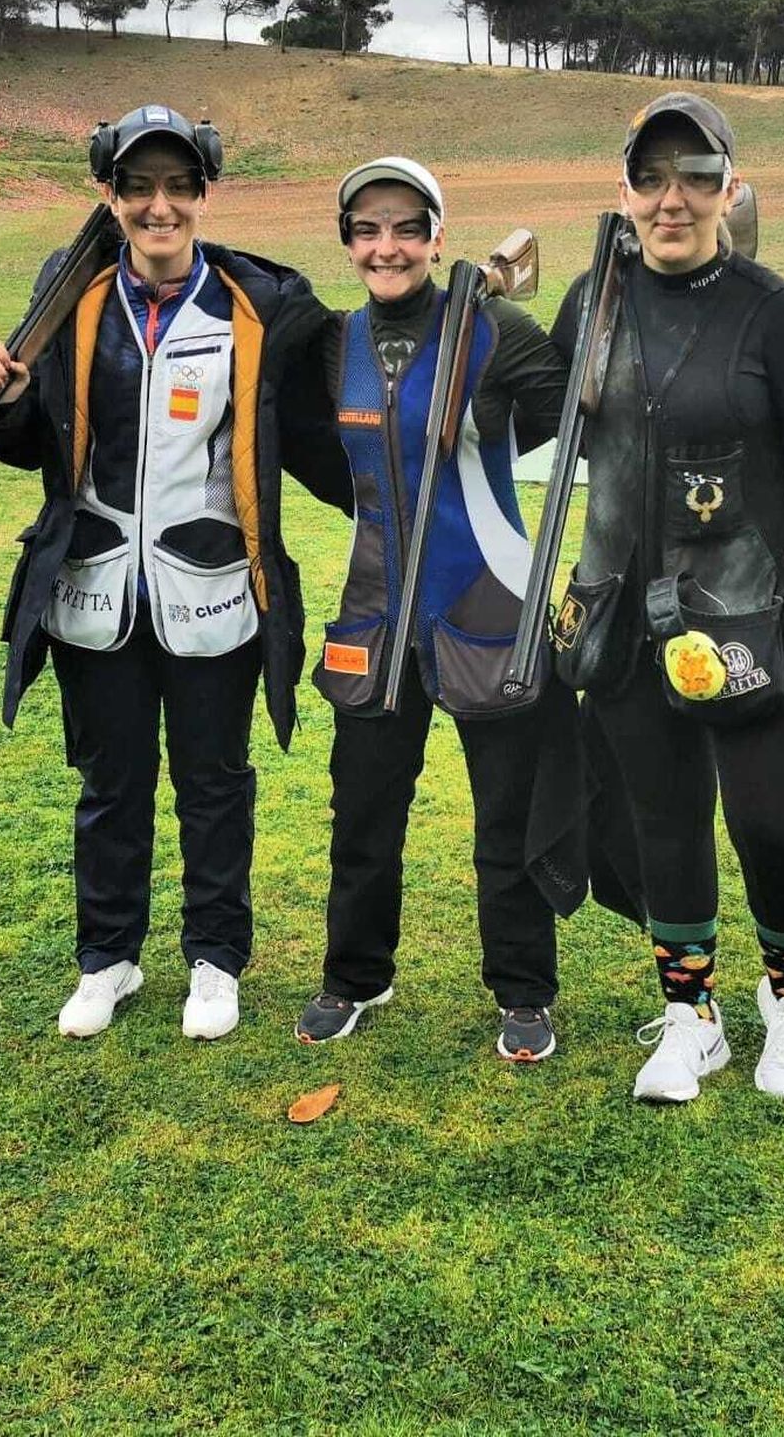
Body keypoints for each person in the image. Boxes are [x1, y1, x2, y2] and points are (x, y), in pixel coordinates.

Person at [0, 104, 349, 1043]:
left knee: (214, 782)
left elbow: (315, 436)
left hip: (213, 590)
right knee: (110, 783)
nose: (159, 207)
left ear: (204, 195)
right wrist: (4, 403)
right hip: (95, 589)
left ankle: (215, 959)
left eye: (179, 188)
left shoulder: (253, 310)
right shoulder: (72, 300)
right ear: (112, 195)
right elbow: (37, 449)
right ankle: (108, 957)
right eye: (139, 188)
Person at [550, 94, 784, 1102]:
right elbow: (525, 423)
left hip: (754, 622)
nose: (669, 197)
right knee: (662, 824)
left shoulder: (775, 312)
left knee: (772, 825)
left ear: (729, 185)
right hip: (621, 623)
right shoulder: (589, 302)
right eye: (650, 176)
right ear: (623, 187)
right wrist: (482, 304)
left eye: (694, 174)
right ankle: (692, 1018)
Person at [293, 157, 576, 1062]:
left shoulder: (495, 330)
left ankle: (524, 992)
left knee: (507, 813)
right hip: (375, 609)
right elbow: (328, 459)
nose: (388, 246)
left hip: (487, 597)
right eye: (368, 229)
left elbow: (570, 414)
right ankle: (354, 978)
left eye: (407, 227)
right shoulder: (334, 344)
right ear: (348, 245)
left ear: (437, 236)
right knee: (364, 811)